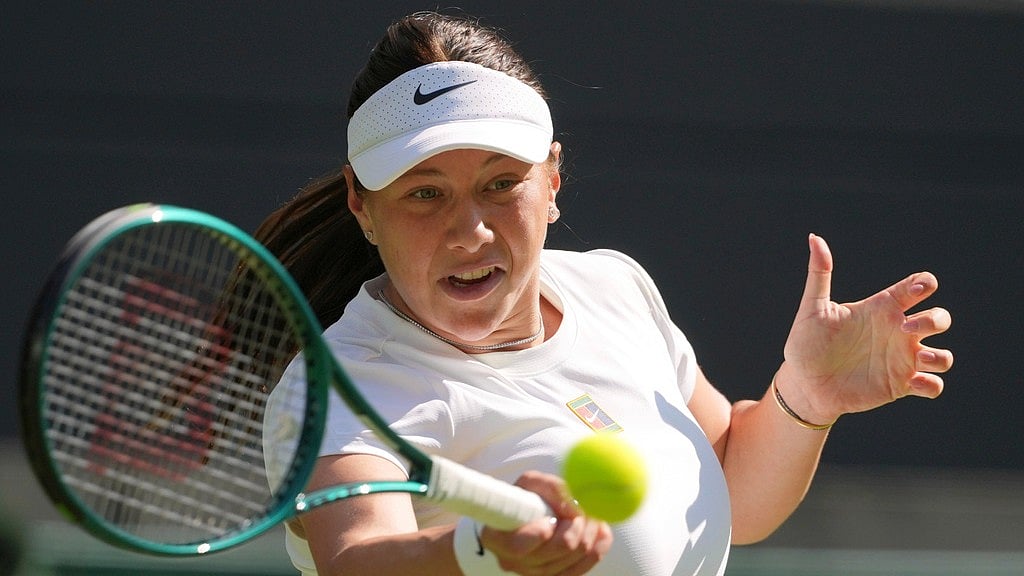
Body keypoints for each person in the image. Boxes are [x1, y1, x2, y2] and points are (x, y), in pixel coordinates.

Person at [259, 11, 953, 576]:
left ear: (552, 182)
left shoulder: (613, 287)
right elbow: (355, 558)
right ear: (362, 204)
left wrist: (806, 397)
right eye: (425, 194)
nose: (468, 231)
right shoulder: (338, 386)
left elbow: (734, 496)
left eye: (501, 185)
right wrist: (477, 549)